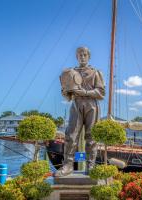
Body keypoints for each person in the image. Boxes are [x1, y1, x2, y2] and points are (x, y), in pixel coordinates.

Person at [55, 47, 105, 176]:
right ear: (76, 57)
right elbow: (68, 96)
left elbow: (101, 92)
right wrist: (65, 92)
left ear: (89, 56)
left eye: (84, 55)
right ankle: (68, 165)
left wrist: (86, 92)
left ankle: (91, 165)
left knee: (91, 137)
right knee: (71, 135)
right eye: (79, 55)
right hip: (76, 104)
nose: (82, 57)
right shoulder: (71, 72)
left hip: (91, 105)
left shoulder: (95, 72)